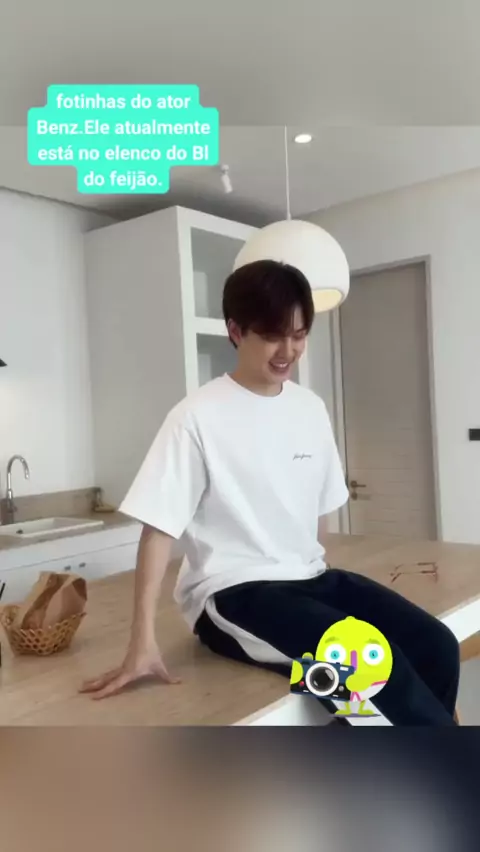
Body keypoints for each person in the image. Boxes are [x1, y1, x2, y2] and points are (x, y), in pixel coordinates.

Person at [80, 259, 460, 725]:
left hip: (310, 579)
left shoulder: (310, 408)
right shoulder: (196, 416)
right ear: (235, 331)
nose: (288, 350)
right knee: (371, 669)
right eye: (273, 336)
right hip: (234, 595)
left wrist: (319, 587)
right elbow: (158, 529)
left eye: (299, 335)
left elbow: (318, 516)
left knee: (435, 645)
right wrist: (142, 641)